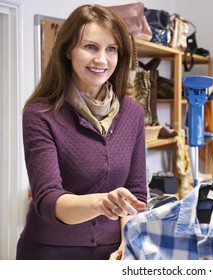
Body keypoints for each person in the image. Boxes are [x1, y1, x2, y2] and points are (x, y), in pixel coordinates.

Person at [16, 4, 147, 260]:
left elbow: (136, 192)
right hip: (50, 253)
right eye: (90, 47)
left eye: (111, 49)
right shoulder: (40, 113)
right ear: (68, 51)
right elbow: (48, 199)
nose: (101, 59)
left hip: (114, 253)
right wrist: (101, 202)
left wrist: (127, 243)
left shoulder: (132, 113)